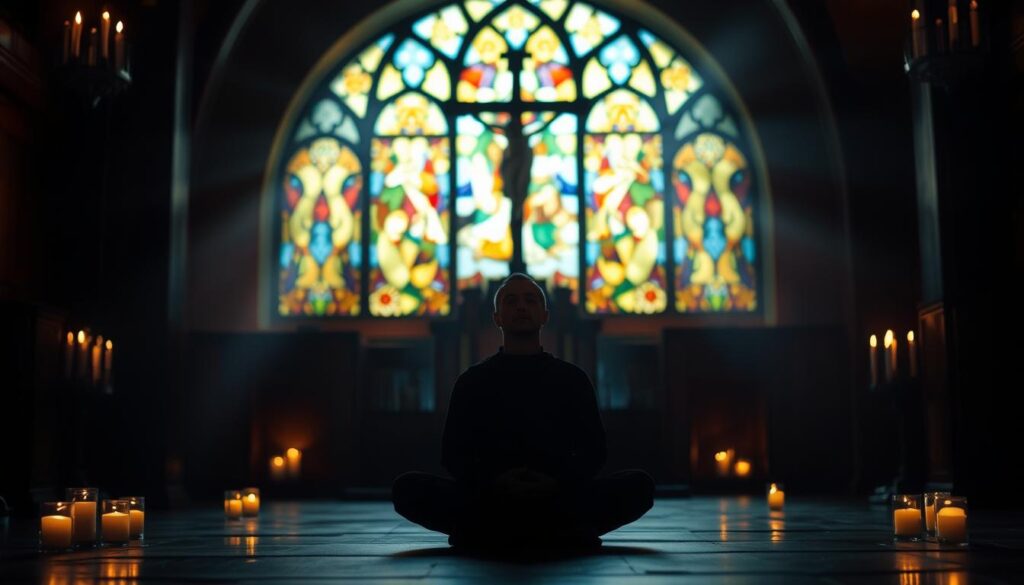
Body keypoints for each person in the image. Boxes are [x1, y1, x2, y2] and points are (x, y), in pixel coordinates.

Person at [392, 273, 654, 552]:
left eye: (530, 300)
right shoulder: (473, 380)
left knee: (640, 485)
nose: (521, 307)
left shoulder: (571, 378)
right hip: (492, 497)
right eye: (511, 301)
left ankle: (490, 532)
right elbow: (453, 454)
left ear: (544, 316)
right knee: (406, 488)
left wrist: (554, 482)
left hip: (557, 495)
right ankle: (559, 531)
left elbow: (595, 452)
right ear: (497, 318)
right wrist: (496, 482)